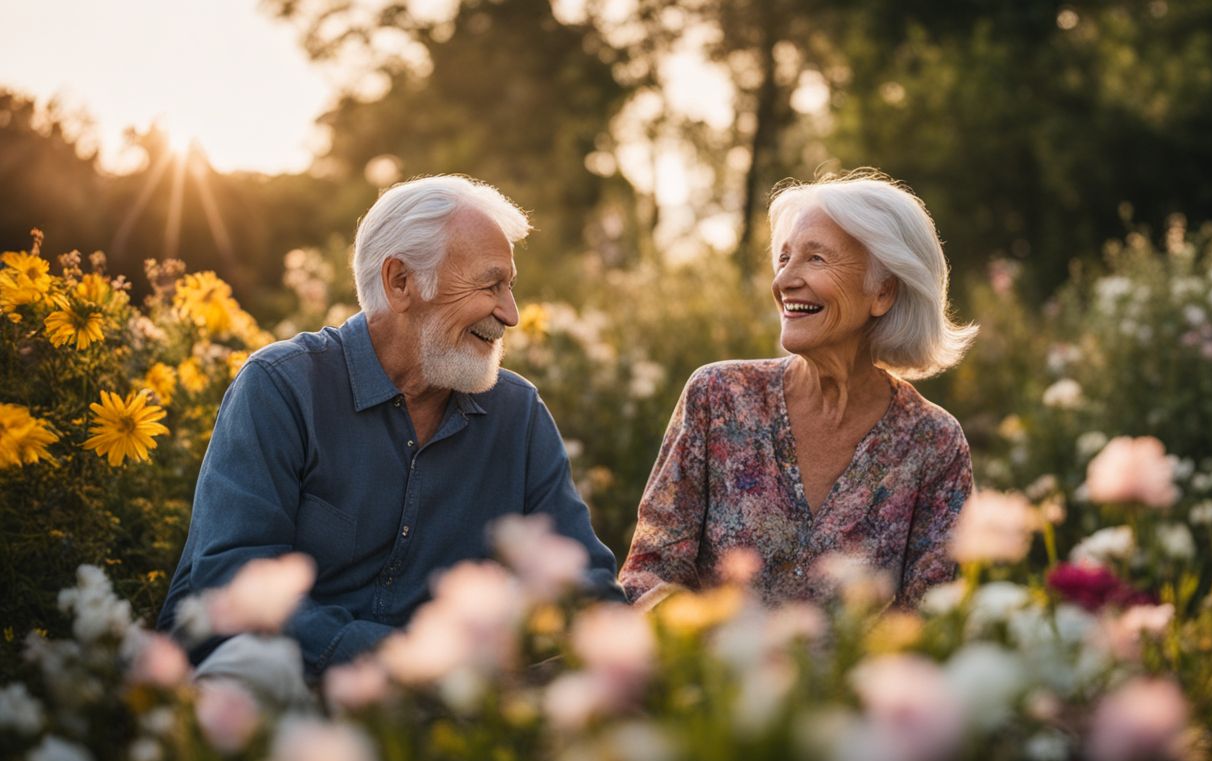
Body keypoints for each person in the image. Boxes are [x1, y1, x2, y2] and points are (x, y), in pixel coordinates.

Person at [158, 175, 622, 697]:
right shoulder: (282, 387)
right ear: (400, 281)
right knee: (252, 671)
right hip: (291, 680)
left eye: (509, 287)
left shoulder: (518, 415)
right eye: (490, 285)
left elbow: (584, 583)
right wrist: (401, 664)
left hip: (440, 704)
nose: (509, 314)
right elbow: (233, 580)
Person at [619, 171, 977, 609]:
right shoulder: (719, 397)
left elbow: (935, 619)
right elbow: (649, 571)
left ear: (883, 292)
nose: (785, 280)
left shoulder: (933, 443)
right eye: (784, 259)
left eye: (816, 259)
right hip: (712, 674)